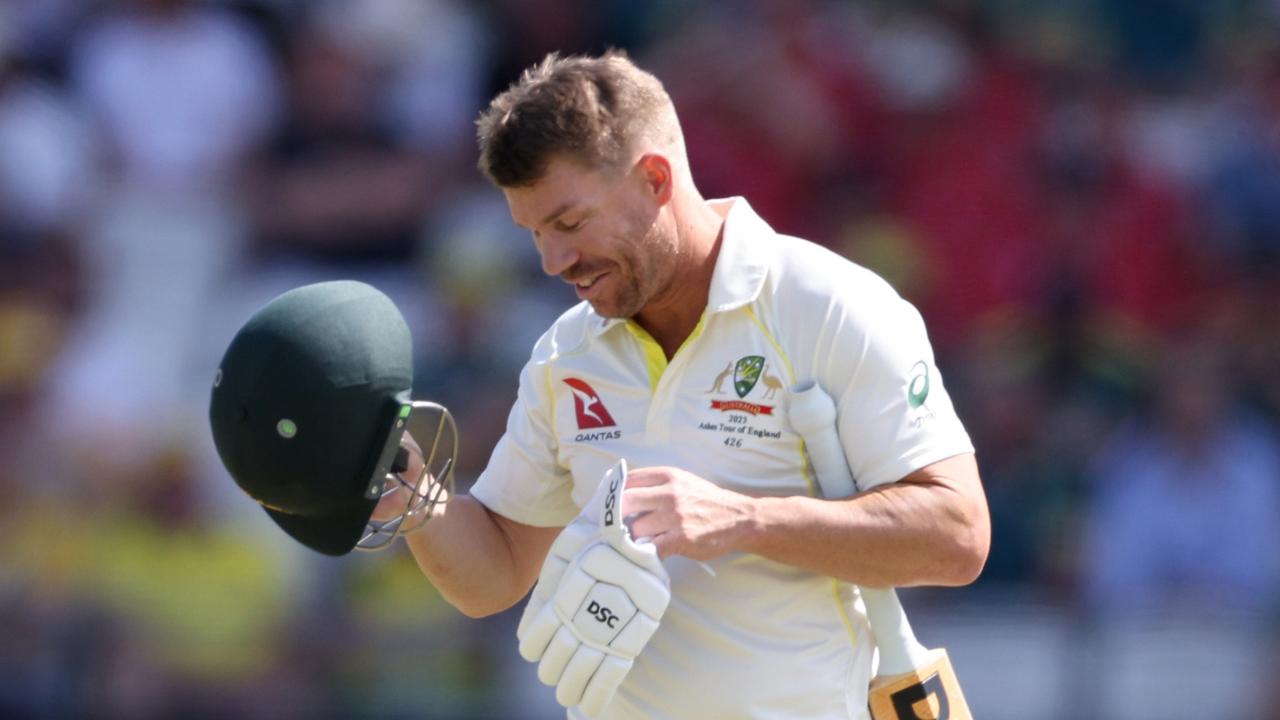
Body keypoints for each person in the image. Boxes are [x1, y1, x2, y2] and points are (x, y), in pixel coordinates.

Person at [377, 50, 990, 718]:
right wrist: (407, 490)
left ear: (655, 179)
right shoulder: (566, 354)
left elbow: (957, 535)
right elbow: (492, 574)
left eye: (570, 223)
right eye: (533, 234)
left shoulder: (828, 305)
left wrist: (741, 517)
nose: (553, 262)